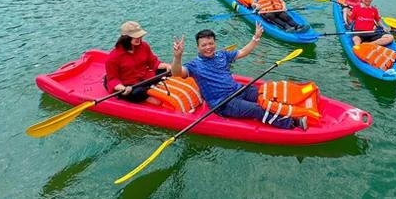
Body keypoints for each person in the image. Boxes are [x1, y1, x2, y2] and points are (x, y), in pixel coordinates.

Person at [170, 23, 306, 130]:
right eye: (204, 45)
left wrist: (256, 38)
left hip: (238, 89)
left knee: (264, 93)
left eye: (211, 43)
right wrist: (177, 56)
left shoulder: (222, 55)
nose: (208, 47)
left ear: (215, 43)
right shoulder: (194, 65)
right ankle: (292, 123)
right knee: (256, 109)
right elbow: (177, 73)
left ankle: (291, 105)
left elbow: (243, 52)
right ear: (198, 47)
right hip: (223, 103)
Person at [104, 21, 173, 103]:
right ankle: (148, 95)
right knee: (137, 93)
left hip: (144, 78)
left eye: (140, 36)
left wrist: (167, 66)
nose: (139, 38)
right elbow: (112, 79)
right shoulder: (113, 57)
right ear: (125, 38)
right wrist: (122, 88)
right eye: (135, 37)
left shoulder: (144, 46)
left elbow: (154, 62)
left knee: (167, 71)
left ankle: (150, 90)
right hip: (128, 85)